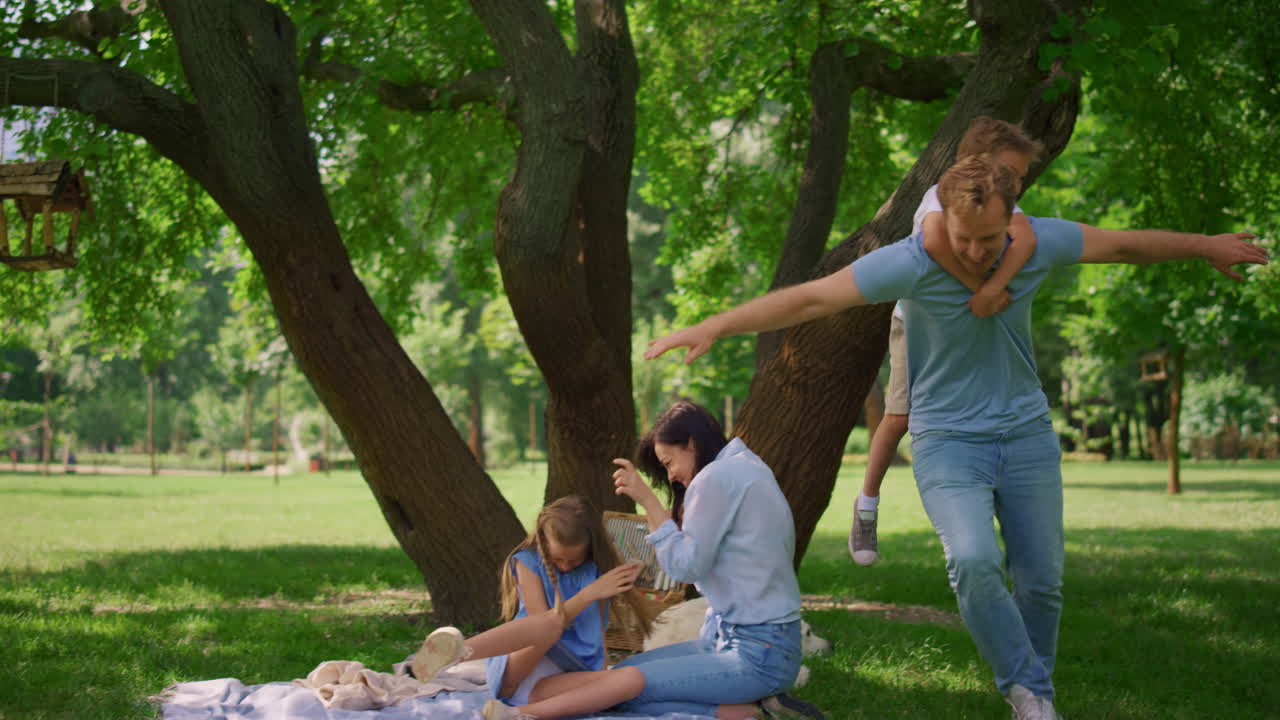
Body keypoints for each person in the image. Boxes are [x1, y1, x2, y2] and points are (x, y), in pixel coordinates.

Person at [644, 153, 1267, 719]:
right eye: (964, 239)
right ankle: (1027, 690)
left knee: (1041, 580)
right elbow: (810, 299)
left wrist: (1205, 244)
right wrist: (715, 325)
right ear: (943, 219)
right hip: (947, 438)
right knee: (971, 559)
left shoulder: (1037, 241)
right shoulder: (914, 262)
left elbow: (1125, 247)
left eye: (990, 239)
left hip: (1024, 431)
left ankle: (1034, 696)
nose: (974, 252)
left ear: (1013, 220)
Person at [482, 401, 824, 720]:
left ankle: (520, 717)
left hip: (756, 653)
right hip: (743, 641)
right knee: (621, 679)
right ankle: (745, 708)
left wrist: (647, 499)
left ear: (691, 444)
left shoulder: (716, 478)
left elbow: (684, 567)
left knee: (620, 690)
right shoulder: (744, 465)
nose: (671, 475)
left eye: (668, 462)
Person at [852, 116, 1042, 567]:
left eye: (1019, 178)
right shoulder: (937, 197)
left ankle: (994, 511)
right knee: (899, 418)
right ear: (976, 166)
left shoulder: (999, 207)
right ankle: (866, 506)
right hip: (919, 323)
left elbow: (1027, 238)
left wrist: (994, 289)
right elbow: (936, 241)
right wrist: (977, 285)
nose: (1017, 184)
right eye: (1011, 174)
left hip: (969, 322)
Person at [409, 495, 652, 710]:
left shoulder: (597, 572)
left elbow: (597, 633)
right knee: (548, 626)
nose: (566, 567)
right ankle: (455, 652)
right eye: (558, 559)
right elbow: (543, 628)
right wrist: (588, 594)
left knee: (631, 678)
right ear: (544, 544)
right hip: (519, 673)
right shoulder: (528, 562)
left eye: (574, 562)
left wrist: (601, 676)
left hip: (552, 685)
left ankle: (517, 716)